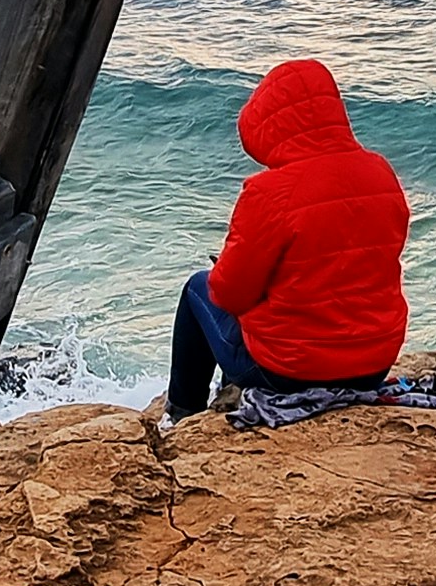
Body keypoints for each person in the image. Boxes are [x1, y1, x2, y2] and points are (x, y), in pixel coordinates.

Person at [170, 57, 409, 420]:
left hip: (289, 372)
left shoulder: (269, 192)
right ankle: (218, 396)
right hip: (373, 365)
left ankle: (182, 413)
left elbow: (230, 294)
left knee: (197, 289)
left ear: (268, 124)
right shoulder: (380, 172)